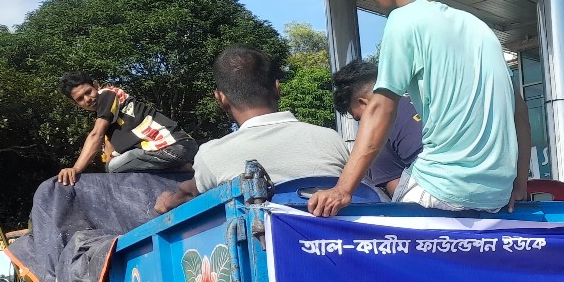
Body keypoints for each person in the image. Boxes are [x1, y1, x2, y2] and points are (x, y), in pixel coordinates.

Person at [307, 0, 530, 218]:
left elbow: (381, 109)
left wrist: (342, 190)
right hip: (496, 195)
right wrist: (519, 183)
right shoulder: (479, 27)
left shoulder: (404, 20)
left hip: (441, 188)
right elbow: (519, 112)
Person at [154, 47, 349, 214]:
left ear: (221, 98)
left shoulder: (211, 154)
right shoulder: (331, 139)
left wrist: (168, 201)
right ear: (277, 88)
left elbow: (189, 193)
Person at [57, 71, 198, 185]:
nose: (88, 99)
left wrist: (76, 169)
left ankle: (182, 168)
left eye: (88, 92)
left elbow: (96, 135)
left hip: (174, 147)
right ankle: (182, 169)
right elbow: (108, 154)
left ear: (96, 86)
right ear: (75, 104)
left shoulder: (107, 95)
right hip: (175, 149)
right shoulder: (111, 118)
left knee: (113, 168)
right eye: (80, 99)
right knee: (114, 166)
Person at [332, 59, 423, 195]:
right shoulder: (426, 98)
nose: (361, 125)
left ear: (364, 103)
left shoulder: (376, 133)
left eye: (359, 118)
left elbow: (397, 188)